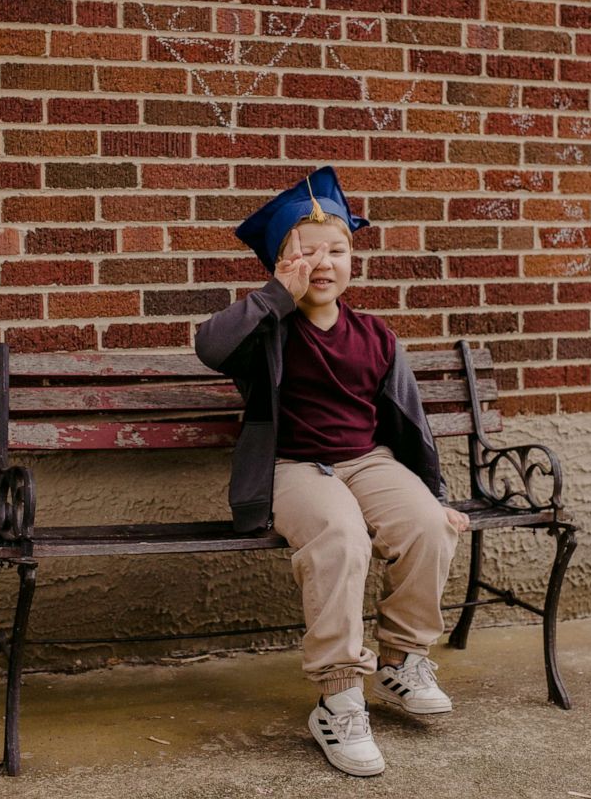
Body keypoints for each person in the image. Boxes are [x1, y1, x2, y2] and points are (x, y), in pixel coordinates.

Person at [194, 166, 469, 778]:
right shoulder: (265, 330)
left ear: (353, 262)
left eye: (338, 251)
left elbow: (409, 425)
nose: (324, 262)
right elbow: (208, 346)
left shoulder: (376, 335)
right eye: (305, 252)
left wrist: (436, 495)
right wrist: (272, 297)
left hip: (368, 461)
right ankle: (339, 700)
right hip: (292, 468)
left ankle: (401, 661)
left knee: (429, 525)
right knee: (341, 538)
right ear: (279, 264)